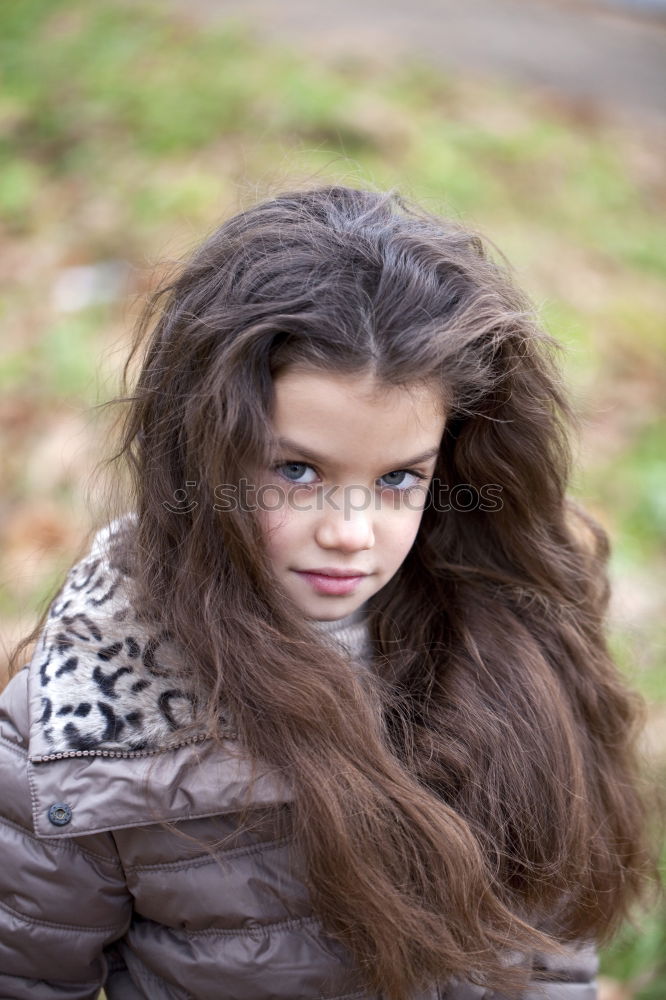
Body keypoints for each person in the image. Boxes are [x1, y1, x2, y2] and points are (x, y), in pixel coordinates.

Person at [0, 186, 659, 1000]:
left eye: (397, 479)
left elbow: (554, 953)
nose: (351, 531)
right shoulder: (83, 722)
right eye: (298, 471)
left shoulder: (509, 640)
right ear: (203, 455)